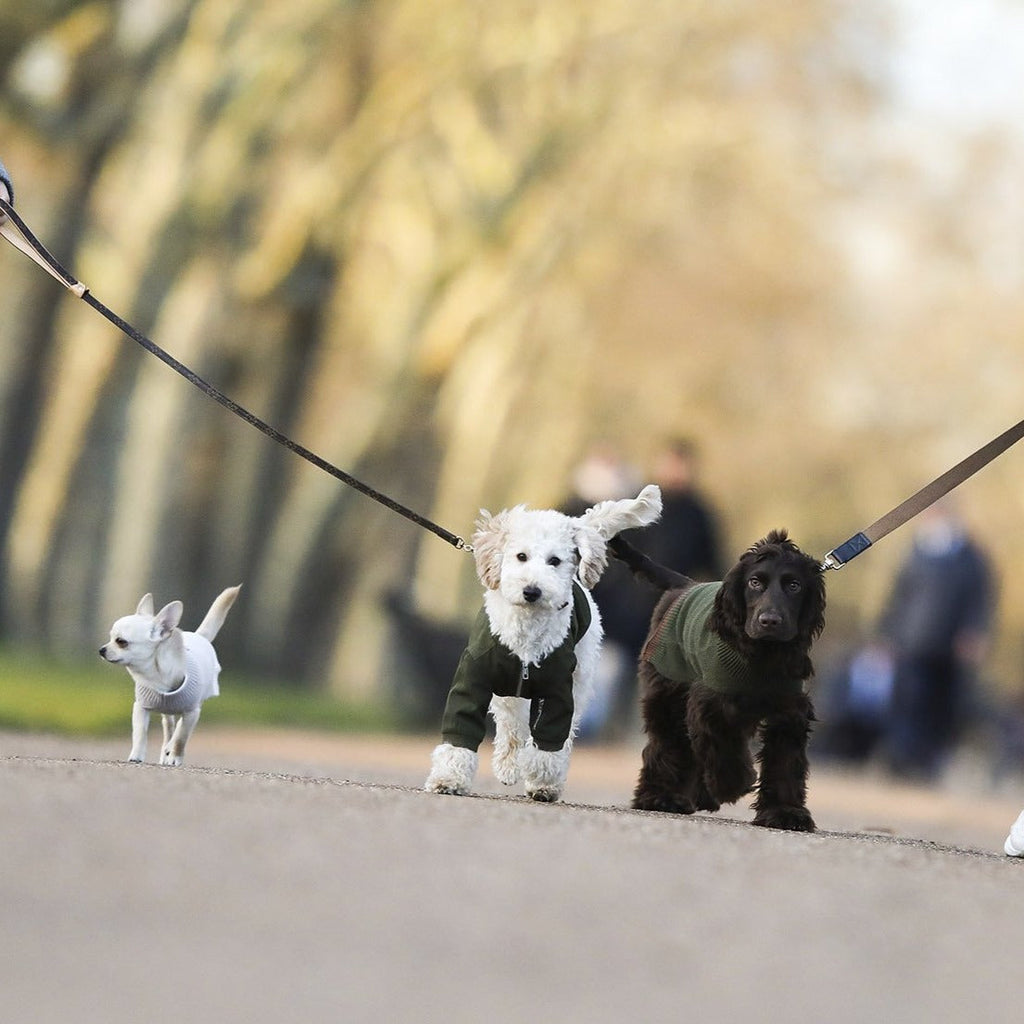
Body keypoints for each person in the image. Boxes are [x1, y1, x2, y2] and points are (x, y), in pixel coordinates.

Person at [564, 437, 724, 740]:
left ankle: (637, 734)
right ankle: (589, 731)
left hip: (673, 608)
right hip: (625, 605)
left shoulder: (700, 514)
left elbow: (712, 561)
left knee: (657, 675)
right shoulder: (640, 503)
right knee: (605, 670)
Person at [876, 499, 996, 781]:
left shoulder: (971, 557)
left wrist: (975, 632)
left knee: (941, 705)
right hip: (912, 642)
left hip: (950, 646)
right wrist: (884, 635)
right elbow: (897, 598)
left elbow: (980, 600)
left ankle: (928, 760)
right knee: (908, 700)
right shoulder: (915, 554)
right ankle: (902, 757)